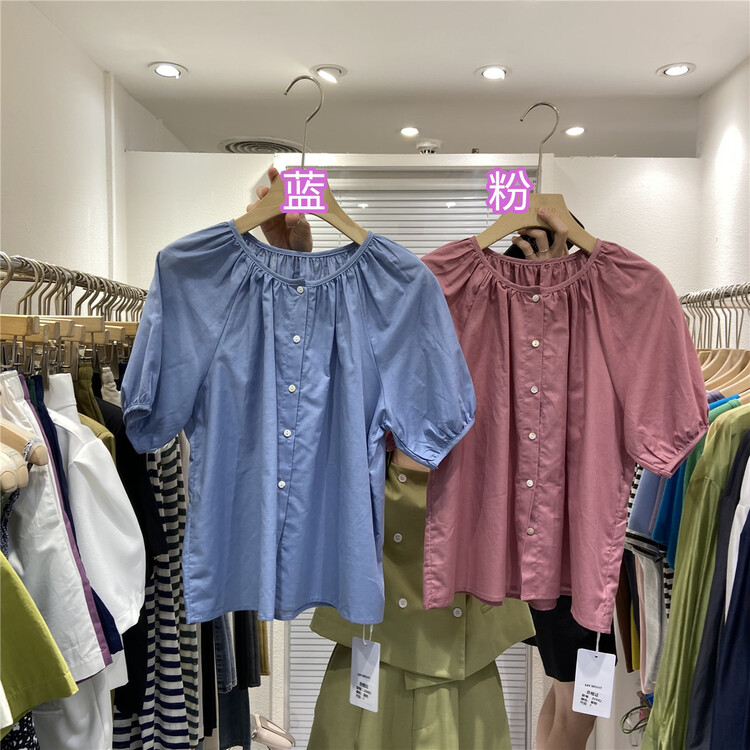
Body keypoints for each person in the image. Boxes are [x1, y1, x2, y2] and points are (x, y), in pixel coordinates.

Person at [245, 169, 612, 750]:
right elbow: (309, 391)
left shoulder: (576, 367)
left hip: (462, 644)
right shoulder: (424, 313)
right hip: (376, 626)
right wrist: (298, 268)